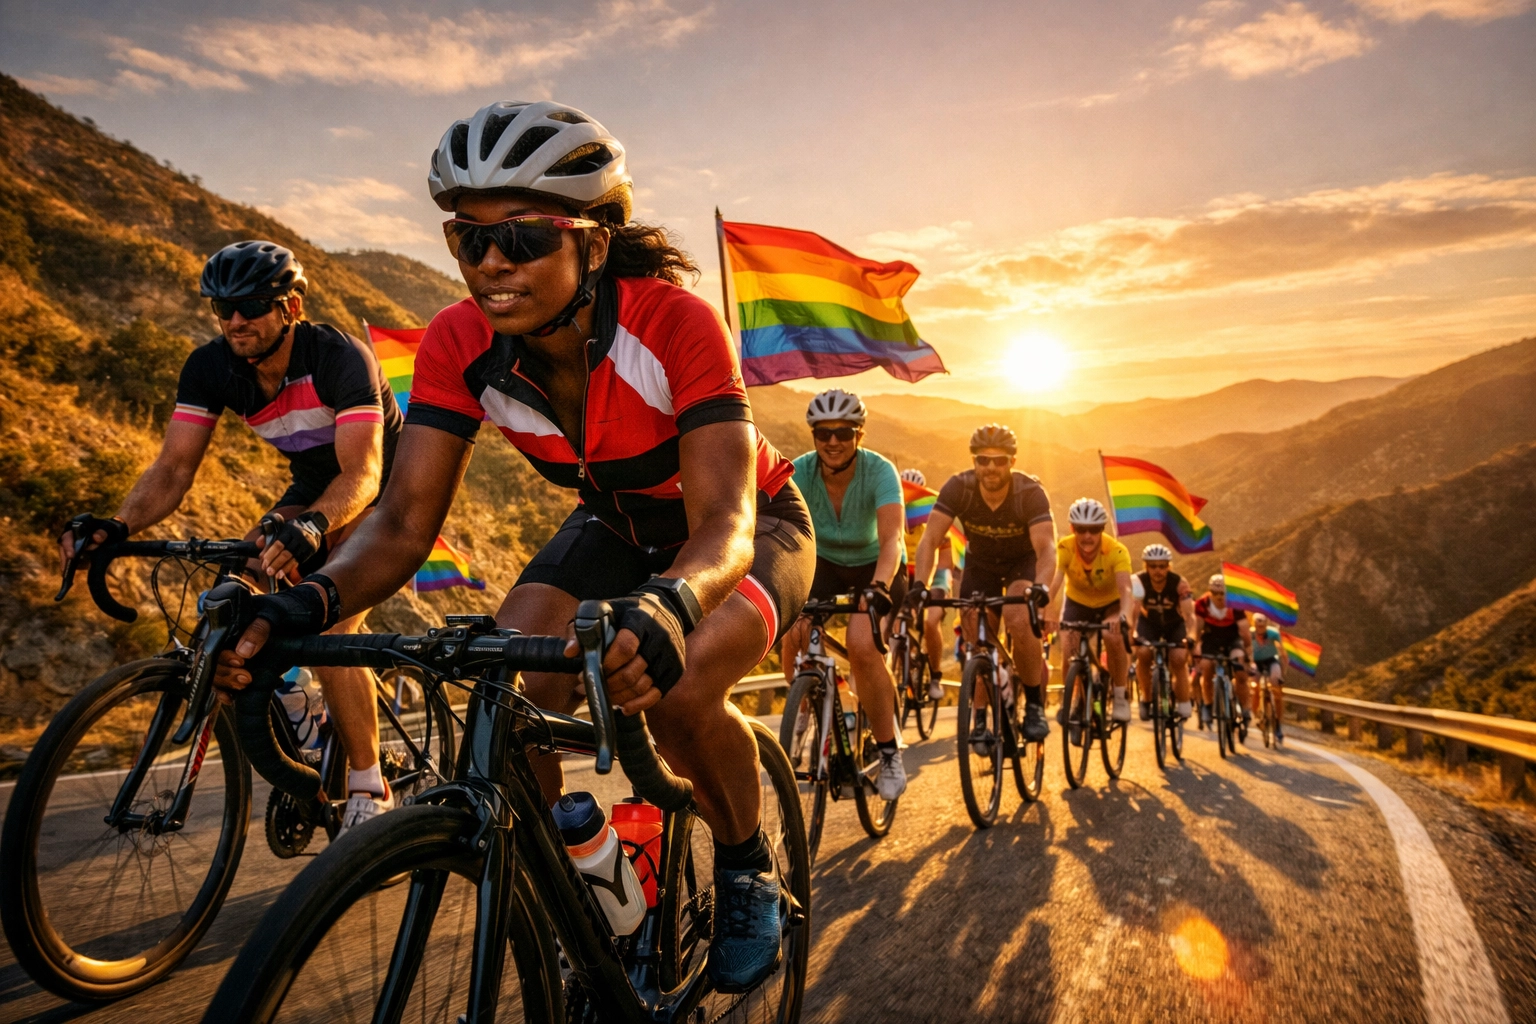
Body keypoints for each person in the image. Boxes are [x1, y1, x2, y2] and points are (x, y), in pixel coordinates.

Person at [209, 101, 815, 992]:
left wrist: (669, 605)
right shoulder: (460, 341)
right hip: (613, 523)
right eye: (468, 239)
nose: (491, 264)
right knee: (509, 673)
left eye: (524, 239)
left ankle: (745, 864)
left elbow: (721, 522)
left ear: (594, 245)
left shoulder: (675, 323)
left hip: (748, 528)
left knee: (681, 687)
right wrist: (304, 603)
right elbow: (405, 521)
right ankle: (587, 889)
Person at [60, 240, 402, 833]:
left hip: (385, 490)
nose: (235, 320)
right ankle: (297, 706)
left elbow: (363, 472)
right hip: (311, 490)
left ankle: (370, 785)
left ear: (291, 306)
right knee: (233, 591)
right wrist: (117, 525)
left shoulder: (339, 356)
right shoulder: (212, 367)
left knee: (335, 619)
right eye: (222, 308)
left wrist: (315, 526)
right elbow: (172, 469)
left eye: (251, 304)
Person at [779, 389, 909, 801]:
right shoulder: (799, 472)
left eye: (843, 432)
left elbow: (892, 539)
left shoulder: (880, 472)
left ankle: (889, 752)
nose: (833, 441)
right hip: (823, 565)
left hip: (875, 567)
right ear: (814, 435)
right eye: (823, 433)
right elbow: (781, 535)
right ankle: (801, 710)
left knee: (861, 644)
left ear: (859, 435)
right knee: (793, 631)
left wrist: (879, 588)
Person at [913, 424, 1056, 746]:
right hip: (981, 566)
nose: (991, 467)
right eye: (983, 459)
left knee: (1020, 619)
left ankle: (1034, 705)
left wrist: (1043, 586)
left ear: (1012, 461)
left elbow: (1046, 548)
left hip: (1022, 563)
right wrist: (920, 584)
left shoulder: (1029, 493)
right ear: (974, 461)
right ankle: (980, 716)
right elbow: (930, 539)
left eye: (999, 460)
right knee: (979, 637)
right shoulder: (959, 487)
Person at [1044, 498, 1135, 725]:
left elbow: (1125, 589)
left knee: (1112, 635)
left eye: (1094, 530)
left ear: (1102, 530)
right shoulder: (1064, 548)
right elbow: (1054, 584)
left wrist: (1124, 614)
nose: (1087, 536)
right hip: (1078, 603)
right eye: (1081, 529)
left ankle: (1121, 695)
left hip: (1111, 604)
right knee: (1069, 649)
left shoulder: (1116, 551)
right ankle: (1075, 699)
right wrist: (1049, 611)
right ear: (1073, 529)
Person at [900, 467, 955, 701]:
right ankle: (902, 656)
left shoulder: (934, 521)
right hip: (904, 571)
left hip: (936, 573)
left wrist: (926, 586)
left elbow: (944, 562)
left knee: (931, 621)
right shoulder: (891, 516)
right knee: (895, 617)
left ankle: (934, 676)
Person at [1131, 543, 1196, 722]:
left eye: (1162, 566)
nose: (1157, 570)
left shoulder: (1179, 583)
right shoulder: (1138, 581)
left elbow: (1190, 616)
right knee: (1143, 653)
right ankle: (1146, 699)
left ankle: (1183, 703)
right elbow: (1133, 613)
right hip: (1148, 623)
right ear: (1146, 566)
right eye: (1153, 566)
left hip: (1174, 624)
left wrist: (1191, 636)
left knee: (1178, 658)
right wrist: (1131, 635)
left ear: (1169, 566)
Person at [1194, 574, 1252, 727]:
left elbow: (1244, 631)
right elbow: (1197, 628)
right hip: (1211, 639)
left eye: (1223, 594)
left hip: (1232, 639)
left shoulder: (1235, 605)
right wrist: (1195, 647)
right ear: (1210, 592)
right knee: (1206, 667)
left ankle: (1245, 709)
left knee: (1240, 672)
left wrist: (1247, 653)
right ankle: (1207, 705)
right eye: (1215, 593)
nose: (1219, 597)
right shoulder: (1202, 604)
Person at [1249, 612, 1286, 743]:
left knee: (1276, 688)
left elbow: (1283, 653)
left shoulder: (1273, 633)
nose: (1260, 630)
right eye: (1258, 626)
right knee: (1255, 686)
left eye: (1263, 626)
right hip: (1257, 663)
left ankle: (1278, 725)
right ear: (1254, 625)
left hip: (1272, 661)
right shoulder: (1250, 634)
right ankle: (1257, 716)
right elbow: (1246, 649)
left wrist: (1283, 671)